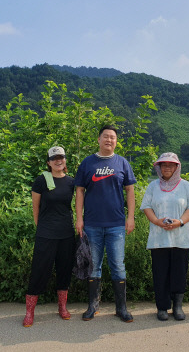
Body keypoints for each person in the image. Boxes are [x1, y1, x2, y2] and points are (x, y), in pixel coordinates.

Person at [74, 125, 137, 323]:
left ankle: (121, 307)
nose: (109, 140)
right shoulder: (87, 163)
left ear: (116, 141)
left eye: (113, 137)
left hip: (117, 224)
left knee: (118, 265)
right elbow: (80, 192)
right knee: (94, 266)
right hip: (92, 224)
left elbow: (130, 191)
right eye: (106, 136)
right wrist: (79, 218)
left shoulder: (122, 163)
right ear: (98, 139)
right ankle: (93, 306)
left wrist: (131, 217)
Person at [140, 152, 189, 321]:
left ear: (176, 167)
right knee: (160, 273)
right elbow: (147, 207)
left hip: (180, 238)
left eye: (170, 165)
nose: (166, 168)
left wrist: (179, 222)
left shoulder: (185, 185)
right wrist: (157, 221)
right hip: (159, 238)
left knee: (179, 272)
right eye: (163, 165)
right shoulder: (153, 186)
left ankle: (178, 306)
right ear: (159, 168)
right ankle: (162, 307)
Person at [23, 146, 76, 328]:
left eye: (61, 157)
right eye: (54, 158)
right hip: (46, 233)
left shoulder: (71, 182)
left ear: (65, 160)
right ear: (48, 162)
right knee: (39, 271)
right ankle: (30, 311)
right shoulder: (41, 180)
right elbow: (35, 208)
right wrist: (41, 227)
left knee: (64, 270)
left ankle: (62, 307)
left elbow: (74, 206)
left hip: (67, 234)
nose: (58, 160)